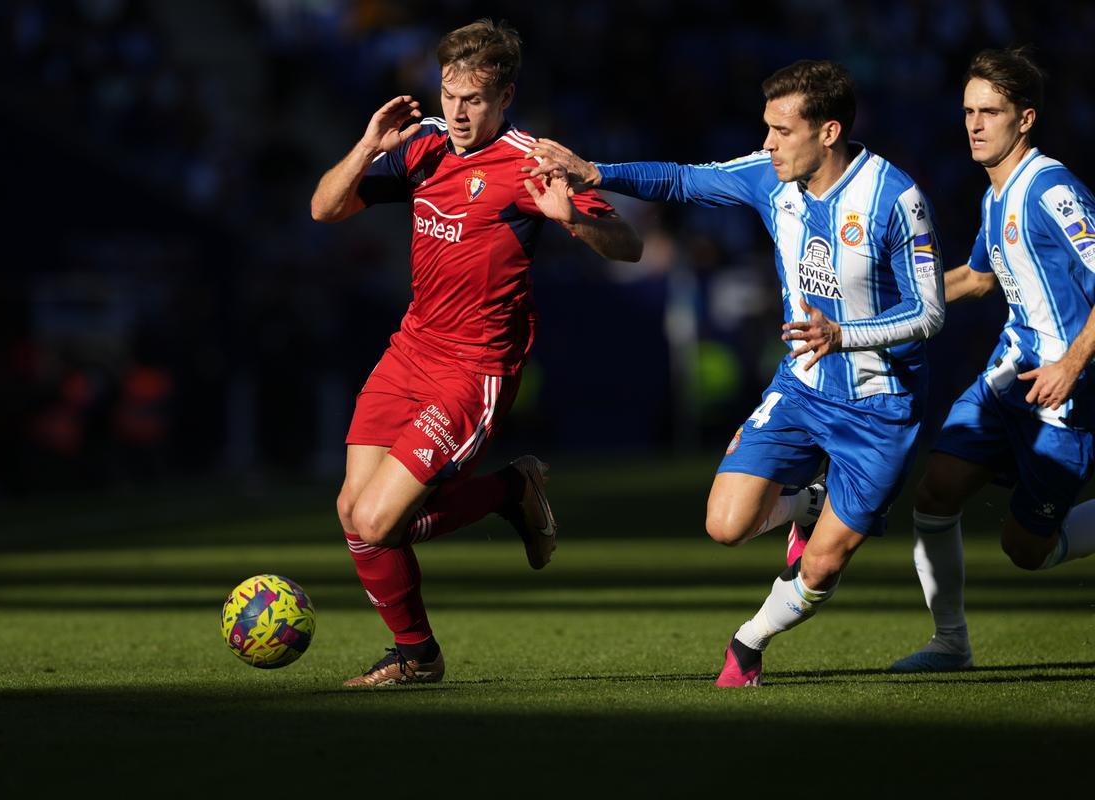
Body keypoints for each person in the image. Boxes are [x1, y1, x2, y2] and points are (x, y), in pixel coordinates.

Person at [526, 60, 944, 686]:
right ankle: (809, 500)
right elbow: (682, 180)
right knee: (725, 526)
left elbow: (930, 311)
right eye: (766, 129)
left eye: (782, 130)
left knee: (824, 566)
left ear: (828, 132)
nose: (768, 144)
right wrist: (597, 173)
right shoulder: (768, 176)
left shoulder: (895, 197)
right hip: (803, 387)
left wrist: (844, 334)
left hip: (881, 407)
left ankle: (748, 644)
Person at [310, 19, 642, 687]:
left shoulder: (531, 163)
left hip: (475, 366)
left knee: (377, 521)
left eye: (475, 100)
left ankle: (424, 638)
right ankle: (424, 646)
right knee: (354, 513)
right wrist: (368, 146)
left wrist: (572, 218)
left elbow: (628, 245)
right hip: (410, 351)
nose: (458, 113)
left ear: (506, 96)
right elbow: (325, 208)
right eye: (449, 94)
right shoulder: (424, 146)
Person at [891, 47, 1095, 672]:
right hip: (1007, 377)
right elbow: (979, 279)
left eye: (991, 112)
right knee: (935, 490)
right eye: (968, 112)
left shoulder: (1051, 189)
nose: (975, 125)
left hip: (1064, 391)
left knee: (1025, 549)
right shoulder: (996, 193)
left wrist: (1070, 364)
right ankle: (950, 643)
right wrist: (874, 305)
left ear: (1025, 119)